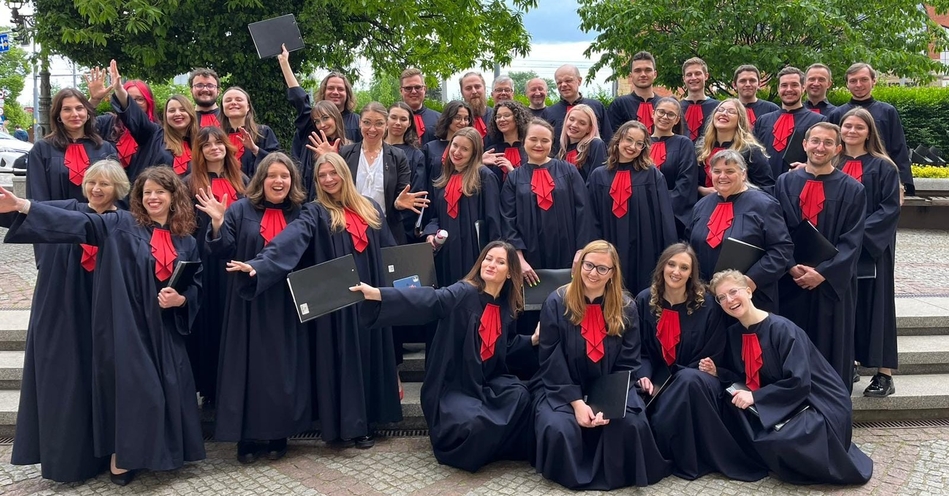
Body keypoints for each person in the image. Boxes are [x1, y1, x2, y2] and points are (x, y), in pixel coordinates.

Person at [0, 166, 207, 485]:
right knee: (140, 389)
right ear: (138, 197)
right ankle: (121, 457)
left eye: (160, 192)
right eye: (146, 192)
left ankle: (157, 454)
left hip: (164, 330)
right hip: (130, 325)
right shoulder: (123, 224)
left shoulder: (186, 240)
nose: (153, 197)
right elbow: (82, 222)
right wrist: (25, 206)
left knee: (168, 389)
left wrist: (181, 300)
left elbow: (196, 284)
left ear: (173, 197)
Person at [228, 152, 402, 449]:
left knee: (370, 354)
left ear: (345, 174)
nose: (329, 179)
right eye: (322, 175)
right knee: (345, 359)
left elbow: (390, 251)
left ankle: (370, 420)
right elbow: (289, 240)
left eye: (333, 173)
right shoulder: (315, 212)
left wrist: (409, 282)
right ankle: (350, 428)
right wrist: (260, 265)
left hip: (371, 296)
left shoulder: (371, 208)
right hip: (339, 302)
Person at [351, 241, 536, 472]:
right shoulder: (464, 292)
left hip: (485, 382)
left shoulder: (505, 307)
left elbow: (505, 347)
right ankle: (479, 448)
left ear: (510, 273)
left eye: (500, 262)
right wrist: (379, 294)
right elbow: (431, 300)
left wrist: (532, 340)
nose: (491, 264)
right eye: (488, 258)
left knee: (519, 395)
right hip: (453, 384)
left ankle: (495, 447)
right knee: (472, 424)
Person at [6, 160, 126, 483]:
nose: (96, 189)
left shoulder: (123, 220)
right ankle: (73, 460)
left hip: (106, 311)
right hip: (65, 308)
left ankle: (113, 453)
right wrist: (15, 206)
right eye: (91, 183)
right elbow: (38, 216)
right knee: (69, 380)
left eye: (105, 184)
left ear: (120, 189)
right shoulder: (69, 207)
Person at [703, 270, 873, 485]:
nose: (729, 300)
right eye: (722, 298)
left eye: (733, 292)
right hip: (779, 400)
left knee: (784, 440)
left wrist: (756, 397)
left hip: (817, 401)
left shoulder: (783, 329)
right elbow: (746, 375)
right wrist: (718, 372)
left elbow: (799, 382)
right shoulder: (734, 334)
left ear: (748, 291)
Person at [198, 152, 310, 463]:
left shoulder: (301, 212)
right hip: (246, 303)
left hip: (285, 302)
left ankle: (277, 432)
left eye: (285, 176)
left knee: (280, 368)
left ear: (293, 181)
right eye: (272, 175)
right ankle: (246, 436)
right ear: (261, 179)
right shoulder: (238, 209)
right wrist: (219, 223)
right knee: (245, 367)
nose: (279, 181)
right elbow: (221, 251)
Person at [532, 240, 671, 490]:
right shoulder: (556, 301)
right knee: (559, 428)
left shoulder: (626, 306)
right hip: (563, 387)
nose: (593, 273)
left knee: (631, 425)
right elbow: (551, 357)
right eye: (588, 265)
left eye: (602, 268)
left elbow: (628, 361)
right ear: (579, 265)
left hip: (612, 387)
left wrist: (606, 405)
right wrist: (577, 403)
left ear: (613, 272)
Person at [635, 244, 766, 481]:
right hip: (656, 380)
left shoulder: (707, 304)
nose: (676, 271)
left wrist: (671, 382)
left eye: (684, 267)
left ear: (692, 273)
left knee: (687, 381)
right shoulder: (645, 300)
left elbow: (711, 355)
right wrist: (644, 376)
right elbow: (641, 350)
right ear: (662, 266)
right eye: (672, 264)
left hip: (698, 379)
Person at [774, 122, 866, 390]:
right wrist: (790, 266)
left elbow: (853, 240)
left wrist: (823, 273)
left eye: (827, 143)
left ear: (838, 148)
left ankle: (832, 411)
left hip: (831, 286)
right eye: (815, 141)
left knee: (831, 349)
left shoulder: (853, 189)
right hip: (792, 282)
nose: (820, 147)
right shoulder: (784, 182)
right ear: (804, 144)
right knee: (790, 347)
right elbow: (778, 229)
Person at [501, 119, 594, 341]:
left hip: (567, 253)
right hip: (529, 259)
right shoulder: (514, 178)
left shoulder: (568, 171)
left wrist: (581, 252)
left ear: (552, 143)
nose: (539, 145)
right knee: (529, 311)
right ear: (524, 141)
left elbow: (584, 212)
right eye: (533, 139)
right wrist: (519, 258)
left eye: (545, 140)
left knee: (567, 309)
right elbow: (508, 219)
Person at [838, 108, 902, 396]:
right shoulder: (833, 162)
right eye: (847, 126)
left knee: (876, 307)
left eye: (858, 127)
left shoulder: (884, 167)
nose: (852, 131)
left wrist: (856, 235)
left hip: (872, 247)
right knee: (847, 305)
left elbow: (889, 209)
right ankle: (848, 363)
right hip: (839, 248)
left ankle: (884, 374)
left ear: (869, 132)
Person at [185, 126, 248, 406]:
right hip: (206, 260)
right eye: (207, 144)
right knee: (210, 319)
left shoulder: (242, 180)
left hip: (236, 257)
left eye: (219, 142)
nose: (214, 148)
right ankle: (211, 387)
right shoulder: (189, 183)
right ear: (199, 151)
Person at [686, 149, 793, 313]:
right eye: (717, 171)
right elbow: (690, 246)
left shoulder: (764, 205)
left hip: (751, 297)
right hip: (706, 297)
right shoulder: (701, 205)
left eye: (730, 171)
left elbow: (781, 249)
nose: (722, 176)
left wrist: (751, 280)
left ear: (743, 174)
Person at [587, 120, 676, 294]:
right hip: (609, 242)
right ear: (618, 139)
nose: (632, 146)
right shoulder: (599, 175)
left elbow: (665, 216)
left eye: (639, 143)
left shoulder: (652, 175)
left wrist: (670, 254)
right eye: (629, 140)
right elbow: (591, 217)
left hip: (645, 246)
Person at [338, 102, 425, 246]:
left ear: (386, 126)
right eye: (367, 122)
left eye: (379, 123)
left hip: (386, 230)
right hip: (350, 228)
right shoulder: (346, 153)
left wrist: (398, 203)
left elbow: (401, 193)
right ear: (360, 123)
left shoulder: (398, 156)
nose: (372, 129)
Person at [424, 127, 501, 286]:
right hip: (446, 252)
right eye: (455, 145)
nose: (457, 152)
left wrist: (492, 257)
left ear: (474, 153)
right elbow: (435, 216)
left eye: (465, 149)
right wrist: (431, 233)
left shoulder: (485, 177)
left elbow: (493, 220)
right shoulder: (443, 178)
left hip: (473, 251)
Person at [277, 45, 349, 201]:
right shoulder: (311, 134)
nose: (321, 124)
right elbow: (300, 101)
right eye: (317, 120)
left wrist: (331, 156)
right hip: (307, 201)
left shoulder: (350, 139)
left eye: (326, 118)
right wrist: (284, 64)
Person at [829, 62, 914, 195]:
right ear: (847, 84)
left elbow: (898, 148)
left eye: (864, 79)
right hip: (841, 174)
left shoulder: (887, 112)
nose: (858, 85)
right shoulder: (837, 114)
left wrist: (901, 183)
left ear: (874, 81)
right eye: (853, 81)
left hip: (879, 176)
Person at [26, 88, 118, 202]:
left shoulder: (105, 149)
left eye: (79, 108)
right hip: (55, 217)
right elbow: (37, 195)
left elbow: (116, 194)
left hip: (97, 218)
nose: (75, 114)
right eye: (67, 109)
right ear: (58, 115)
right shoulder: (42, 149)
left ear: (87, 113)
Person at [85, 65, 157, 184]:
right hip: (108, 190)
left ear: (148, 102)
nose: (134, 104)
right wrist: (94, 100)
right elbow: (80, 125)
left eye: (139, 99)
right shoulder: (107, 123)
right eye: (130, 99)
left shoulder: (156, 132)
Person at [753, 66, 827, 179]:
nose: (789, 89)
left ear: (803, 88)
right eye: (784, 85)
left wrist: (808, 166)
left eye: (794, 85)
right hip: (764, 187)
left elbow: (827, 155)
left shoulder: (818, 121)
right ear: (778, 89)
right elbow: (753, 155)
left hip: (799, 184)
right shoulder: (763, 121)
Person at [696, 99, 773, 196]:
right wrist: (702, 190)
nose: (724, 113)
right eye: (720, 110)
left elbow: (767, 188)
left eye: (731, 112)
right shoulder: (701, 148)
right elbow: (691, 182)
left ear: (739, 120)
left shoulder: (751, 151)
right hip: (707, 206)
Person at [648, 96, 697, 237]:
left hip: (672, 215)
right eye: (661, 112)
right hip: (644, 213)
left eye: (671, 114)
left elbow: (686, 182)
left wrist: (662, 208)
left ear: (677, 120)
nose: (665, 117)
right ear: (653, 113)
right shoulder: (642, 142)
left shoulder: (684, 143)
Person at [385, 101, 427, 239]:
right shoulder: (371, 149)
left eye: (403, 119)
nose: (398, 123)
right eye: (393, 117)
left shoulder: (416, 155)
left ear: (409, 123)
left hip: (401, 225)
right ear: (386, 119)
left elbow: (415, 192)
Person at [546, 64, 612, 149]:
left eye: (568, 80)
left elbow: (608, 138)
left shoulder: (596, 106)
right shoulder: (549, 112)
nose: (563, 85)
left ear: (579, 81)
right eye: (559, 82)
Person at [219, 86, 279, 177]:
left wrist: (255, 149)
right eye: (228, 100)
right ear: (223, 108)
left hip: (256, 187)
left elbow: (278, 161)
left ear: (248, 107)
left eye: (239, 100)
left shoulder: (263, 132)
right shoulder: (217, 136)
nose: (233, 103)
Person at [421, 100, 472, 192]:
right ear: (448, 118)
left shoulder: (472, 149)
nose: (463, 122)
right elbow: (423, 181)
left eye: (466, 118)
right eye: (458, 117)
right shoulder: (430, 148)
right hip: (434, 200)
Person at [607, 51, 659, 133]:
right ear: (631, 75)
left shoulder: (664, 104)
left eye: (648, 70)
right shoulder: (619, 104)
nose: (643, 74)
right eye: (637, 71)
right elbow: (611, 138)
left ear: (655, 74)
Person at [483, 100, 532, 183]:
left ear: (517, 117)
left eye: (506, 115)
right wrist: (480, 164)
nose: (501, 119)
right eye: (498, 117)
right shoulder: (491, 152)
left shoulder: (530, 149)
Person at [557, 104, 607, 181]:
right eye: (571, 119)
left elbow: (597, 179)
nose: (574, 125)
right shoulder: (562, 150)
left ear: (589, 129)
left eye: (582, 123)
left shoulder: (596, 145)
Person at [680, 58, 719, 142]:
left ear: (706, 76)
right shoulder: (677, 108)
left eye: (697, 73)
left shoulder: (718, 108)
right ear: (684, 79)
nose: (693, 78)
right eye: (689, 74)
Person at [316, 72, 361, 143]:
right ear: (323, 92)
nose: (335, 92)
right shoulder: (313, 121)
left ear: (347, 94)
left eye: (340, 89)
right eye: (330, 88)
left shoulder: (358, 122)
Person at [400, 67, 441, 144]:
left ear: (424, 89)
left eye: (418, 87)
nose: (414, 91)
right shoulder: (391, 120)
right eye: (408, 88)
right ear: (401, 91)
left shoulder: (440, 120)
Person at [459, 72, 494, 139]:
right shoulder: (455, 121)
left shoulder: (496, 117)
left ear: (484, 88)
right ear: (462, 92)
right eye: (468, 88)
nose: (474, 91)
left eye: (477, 87)